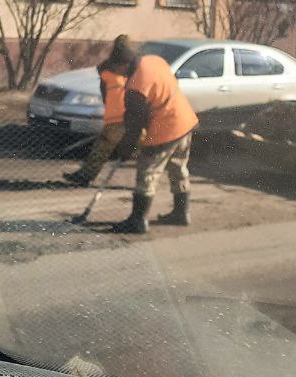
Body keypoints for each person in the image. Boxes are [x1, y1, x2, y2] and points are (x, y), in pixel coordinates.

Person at [111, 48, 198, 234]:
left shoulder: (135, 87)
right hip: (184, 121)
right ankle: (181, 213)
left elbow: (135, 125)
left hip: (165, 129)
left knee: (147, 173)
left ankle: (137, 221)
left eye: (116, 69)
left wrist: (125, 150)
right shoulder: (155, 60)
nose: (118, 74)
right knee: (178, 168)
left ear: (124, 65)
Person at [64, 35, 136, 187]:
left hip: (115, 115)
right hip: (130, 114)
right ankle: (141, 183)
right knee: (144, 148)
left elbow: (104, 93)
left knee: (102, 147)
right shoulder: (134, 67)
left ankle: (85, 176)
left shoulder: (105, 68)